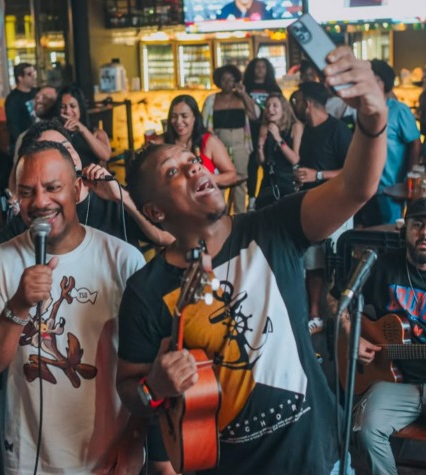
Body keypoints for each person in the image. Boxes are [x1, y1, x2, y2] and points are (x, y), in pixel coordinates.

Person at [117, 45, 388, 475]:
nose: (193, 169)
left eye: (192, 160)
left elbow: (357, 188)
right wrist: (155, 386)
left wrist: (373, 121)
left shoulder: (273, 226)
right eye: (173, 172)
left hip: (320, 458)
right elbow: (130, 390)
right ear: (154, 212)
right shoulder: (146, 290)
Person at [0, 140, 146, 474]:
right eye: (27, 192)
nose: (40, 202)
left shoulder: (123, 259)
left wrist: (134, 439)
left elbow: (146, 367)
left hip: (110, 454)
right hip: (30, 458)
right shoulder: (0, 261)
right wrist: (19, 305)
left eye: (53, 188)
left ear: (78, 189)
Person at [352, 198, 426, 475]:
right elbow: (338, 304)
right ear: (405, 229)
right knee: (366, 431)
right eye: (418, 224)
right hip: (390, 381)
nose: (425, 232)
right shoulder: (383, 266)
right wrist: (354, 338)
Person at [0, 119, 174, 256]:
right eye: (54, 151)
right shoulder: (40, 212)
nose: (65, 156)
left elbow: (167, 237)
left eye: (67, 147)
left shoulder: (113, 196)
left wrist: (120, 196)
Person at [293, 81, 353, 334]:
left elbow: (352, 172)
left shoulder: (339, 130)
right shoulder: (306, 131)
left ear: (306, 103)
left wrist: (317, 175)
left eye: (295, 101)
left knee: (337, 263)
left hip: (338, 207)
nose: (292, 105)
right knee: (312, 263)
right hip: (312, 205)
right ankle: (314, 315)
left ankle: (342, 316)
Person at [357, 60, 421, 227]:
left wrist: (409, 175)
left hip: (389, 189)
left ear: (381, 83)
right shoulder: (363, 110)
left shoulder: (399, 110)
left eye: (370, 79)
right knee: (367, 233)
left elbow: (415, 143)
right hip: (364, 186)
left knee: (389, 233)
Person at [202, 64, 260, 214]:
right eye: (224, 79)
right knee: (219, 179)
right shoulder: (211, 100)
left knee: (240, 180)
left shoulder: (241, 98)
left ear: (236, 81)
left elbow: (255, 115)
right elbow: (203, 124)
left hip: (241, 142)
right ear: (218, 81)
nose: (227, 82)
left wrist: (243, 94)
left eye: (230, 79)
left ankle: (240, 215)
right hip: (218, 143)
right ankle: (219, 213)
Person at [161, 94, 237, 187]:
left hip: (204, 199)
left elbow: (232, 176)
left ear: (195, 118)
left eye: (184, 116)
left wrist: (209, 178)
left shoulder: (209, 141)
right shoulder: (161, 142)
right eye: (173, 116)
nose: (178, 121)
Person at [243, 58, 282, 210]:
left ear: (268, 70)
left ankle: (268, 194)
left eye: (263, 67)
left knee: (268, 162)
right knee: (251, 164)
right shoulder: (246, 87)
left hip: (269, 128)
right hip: (250, 129)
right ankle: (252, 197)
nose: (260, 70)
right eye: (257, 67)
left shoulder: (273, 87)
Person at [256, 92, 304, 209]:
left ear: (284, 108)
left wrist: (278, 138)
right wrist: (260, 148)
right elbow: (262, 162)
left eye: (275, 105)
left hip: (287, 181)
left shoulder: (295, 126)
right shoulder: (265, 127)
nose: (270, 109)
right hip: (269, 180)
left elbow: (295, 159)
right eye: (267, 106)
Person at [57, 85, 111, 168]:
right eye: (63, 107)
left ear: (80, 108)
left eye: (72, 106)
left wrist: (82, 129)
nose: (67, 111)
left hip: (91, 178)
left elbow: (106, 156)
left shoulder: (96, 133)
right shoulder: (56, 134)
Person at [12, 85, 58, 162]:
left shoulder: (65, 131)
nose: (38, 100)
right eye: (37, 97)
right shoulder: (25, 136)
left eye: (45, 97)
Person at [5, 62, 38, 152]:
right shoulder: (13, 99)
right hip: (25, 145)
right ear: (20, 78)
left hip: (40, 140)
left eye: (34, 73)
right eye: (29, 74)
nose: (33, 76)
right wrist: (22, 144)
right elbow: (13, 126)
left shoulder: (37, 93)